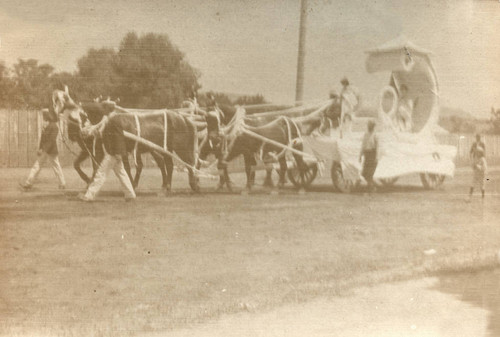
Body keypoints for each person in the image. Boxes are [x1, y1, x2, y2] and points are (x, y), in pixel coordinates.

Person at [78, 108, 136, 202]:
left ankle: (89, 195)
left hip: (113, 153)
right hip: (114, 153)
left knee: (100, 174)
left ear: (108, 111)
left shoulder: (113, 120)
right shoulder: (113, 120)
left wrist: (117, 153)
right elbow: (109, 136)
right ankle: (130, 194)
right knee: (122, 173)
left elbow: (118, 137)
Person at [20, 109, 66, 190]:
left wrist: (43, 149)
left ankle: (62, 183)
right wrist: (40, 148)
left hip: (51, 150)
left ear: (50, 116)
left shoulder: (54, 126)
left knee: (56, 167)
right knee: (37, 166)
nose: (44, 116)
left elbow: (51, 140)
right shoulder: (46, 125)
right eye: (44, 115)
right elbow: (42, 138)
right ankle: (28, 183)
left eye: (45, 115)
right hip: (45, 150)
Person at [359, 120, 378, 191]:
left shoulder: (375, 135)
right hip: (367, 154)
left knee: (370, 172)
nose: (370, 127)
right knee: (365, 173)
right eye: (369, 126)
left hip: (372, 154)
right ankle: (371, 185)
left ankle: (371, 186)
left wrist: (377, 156)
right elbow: (363, 145)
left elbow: (377, 147)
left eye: (371, 126)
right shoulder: (366, 135)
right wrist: (360, 155)